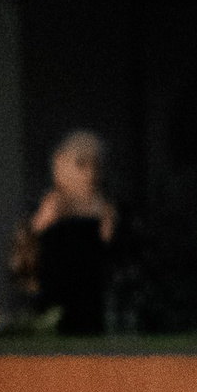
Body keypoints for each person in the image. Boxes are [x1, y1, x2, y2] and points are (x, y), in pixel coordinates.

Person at [29, 130, 119, 337]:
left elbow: (109, 248)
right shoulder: (54, 204)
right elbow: (33, 243)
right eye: (81, 165)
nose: (90, 174)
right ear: (60, 164)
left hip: (90, 293)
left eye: (96, 166)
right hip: (57, 292)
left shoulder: (103, 208)